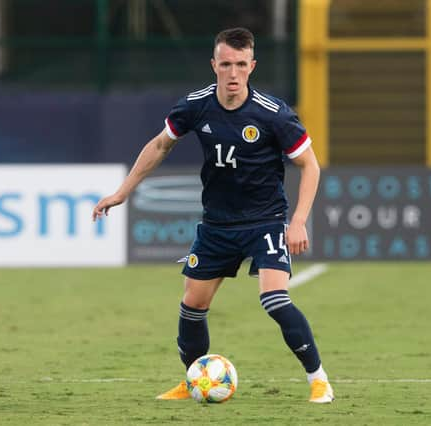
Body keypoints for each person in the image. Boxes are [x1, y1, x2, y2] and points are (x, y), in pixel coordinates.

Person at [92, 27, 333, 403]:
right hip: (217, 225)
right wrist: (122, 192)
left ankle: (319, 379)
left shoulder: (274, 114)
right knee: (192, 306)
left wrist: (298, 220)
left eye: (240, 64)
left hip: (265, 220)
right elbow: (159, 145)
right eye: (225, 64)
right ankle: (194, 382)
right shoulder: (195, 105)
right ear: (214, 65)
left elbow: (310, 165)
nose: (233, 73)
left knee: (274, 299)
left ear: (252, 66)